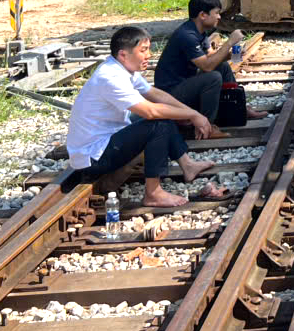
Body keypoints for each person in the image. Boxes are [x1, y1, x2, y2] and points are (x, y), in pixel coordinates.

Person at [67, 26, 223, 208]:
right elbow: (151, 111)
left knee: (162, 115)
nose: (149, 55)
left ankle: (187, 165)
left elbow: (156, 94)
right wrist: (193, 114)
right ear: (123, 54)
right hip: (93, 157)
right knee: (158, 123)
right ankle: (153, 193)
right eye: (143, 50)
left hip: (106, 142)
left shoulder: (123, 69)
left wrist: (192, 112)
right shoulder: (110, 77)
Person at [154, 0, 267, 125]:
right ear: (203, 15)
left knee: (222, 67)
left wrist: (232, 54)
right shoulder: (187, 36)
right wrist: (229, 42)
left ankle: (240, 108)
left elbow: (212, 57)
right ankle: (207, 125)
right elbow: (207, 66)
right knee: (213, 78)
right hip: (170, 94)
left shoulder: (200, 32)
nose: (219, 17)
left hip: (183, 84)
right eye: (217, 13)